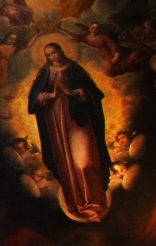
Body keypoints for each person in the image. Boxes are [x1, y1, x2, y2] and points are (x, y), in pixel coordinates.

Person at [27, 42, 111, 222]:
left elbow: (94, 93)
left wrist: (73, 92)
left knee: (85, 162)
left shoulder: (74, 69)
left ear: (61, 50)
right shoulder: (46, 73)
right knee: (66, 163)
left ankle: (95, 201)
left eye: (55, 52)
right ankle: (77, 202)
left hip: (78, 118)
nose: (53, 56)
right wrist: (50, 96)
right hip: (56, 122)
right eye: (49, 55)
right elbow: (33, 99)